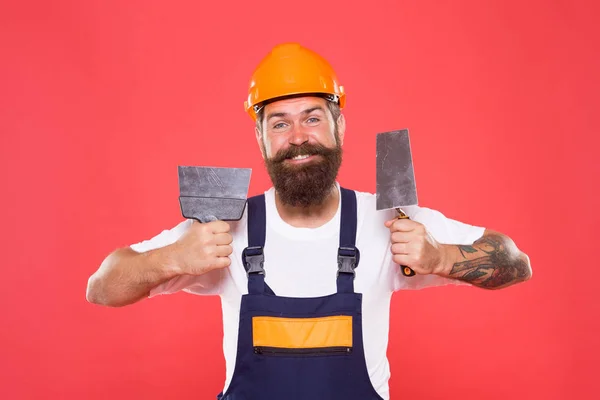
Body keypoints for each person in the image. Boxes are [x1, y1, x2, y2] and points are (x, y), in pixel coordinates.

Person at [86, 42, 532, 399]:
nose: (298, 138)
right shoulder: (220, 229)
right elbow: (103, 287)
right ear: (260, 138)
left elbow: (515, 261)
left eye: (312, 118)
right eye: (279, 123)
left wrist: (441, 256)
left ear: (339, 125)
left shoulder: (390, 218)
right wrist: (173, 258)